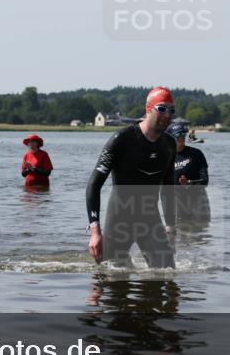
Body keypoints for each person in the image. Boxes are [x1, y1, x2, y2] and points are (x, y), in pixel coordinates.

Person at [86, 86, 177, 268]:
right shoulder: (122, 139)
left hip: (149, 217)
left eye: (171, 110)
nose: (167, 115)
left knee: (167, 273)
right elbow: (93, 185)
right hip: (120, 217)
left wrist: (170, 227)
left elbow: (168, 188)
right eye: (162, 109)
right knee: (112, 277)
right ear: (148, 109)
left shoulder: (169, 144)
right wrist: (95, 232)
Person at [168, 120, 211, 227]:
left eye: (183, 134)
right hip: (178, 204)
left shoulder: (196, 154)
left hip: (198, 203)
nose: (181, 137)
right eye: (178, 135)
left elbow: (205, 181)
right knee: (180, 235)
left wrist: (189, 183)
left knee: (201, 236)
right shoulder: (165, 158)